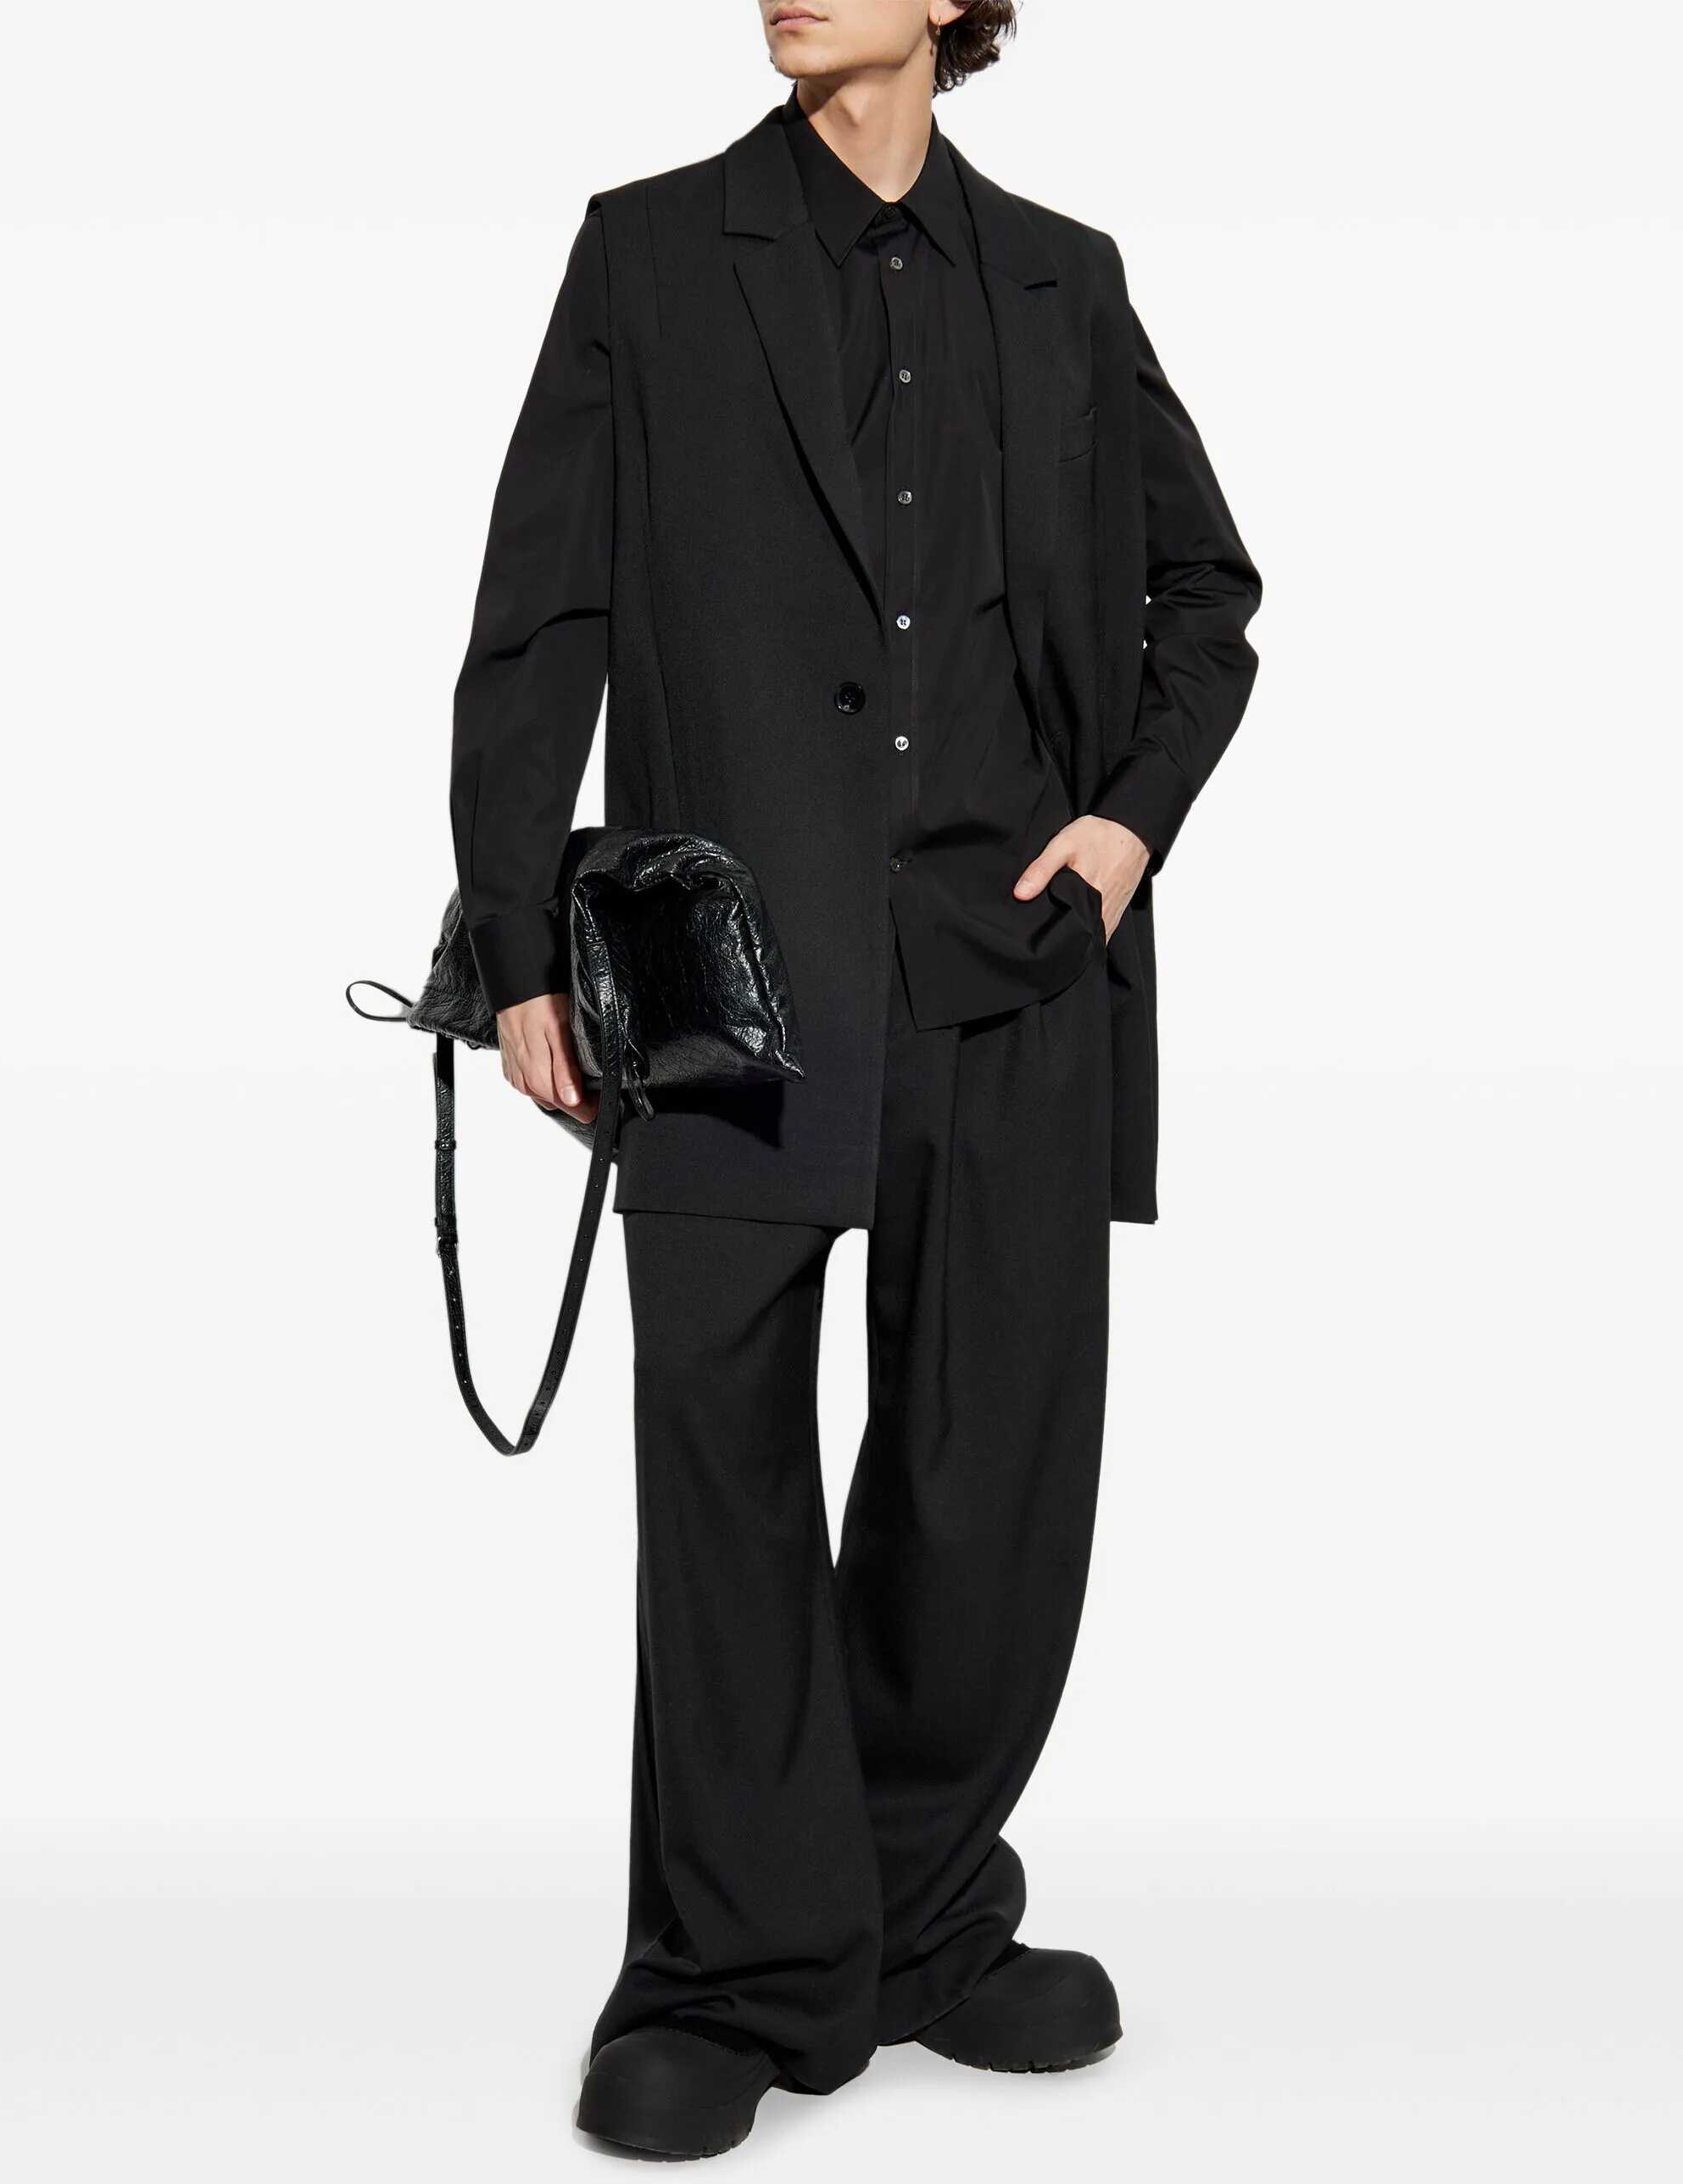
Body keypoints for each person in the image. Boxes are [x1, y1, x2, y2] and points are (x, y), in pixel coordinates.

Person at [449, 0, 1259, 2157]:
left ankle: (911, 1914)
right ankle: (727, 1971)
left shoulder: (1061, 280)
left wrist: (1126, 825)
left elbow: (1207, 592)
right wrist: (514, 943)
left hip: (1009, 964)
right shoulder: (648, 251)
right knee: (721, 1474)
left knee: (990, 1482)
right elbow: (539, 617)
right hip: (720, 969)